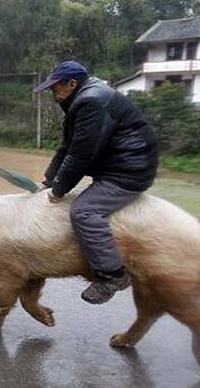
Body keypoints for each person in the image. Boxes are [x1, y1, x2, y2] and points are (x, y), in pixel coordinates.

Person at [34, 60, 158, 304]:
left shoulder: (91, 102)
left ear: (72, 83)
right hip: (121, 165)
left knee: (84, 211)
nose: (52, 93)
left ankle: (113, 275)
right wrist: (49, 181)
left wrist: (59, 190)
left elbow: (82, 154)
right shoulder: (83, 99)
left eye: (55, 88)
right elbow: (67, 147)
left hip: (128, 171)